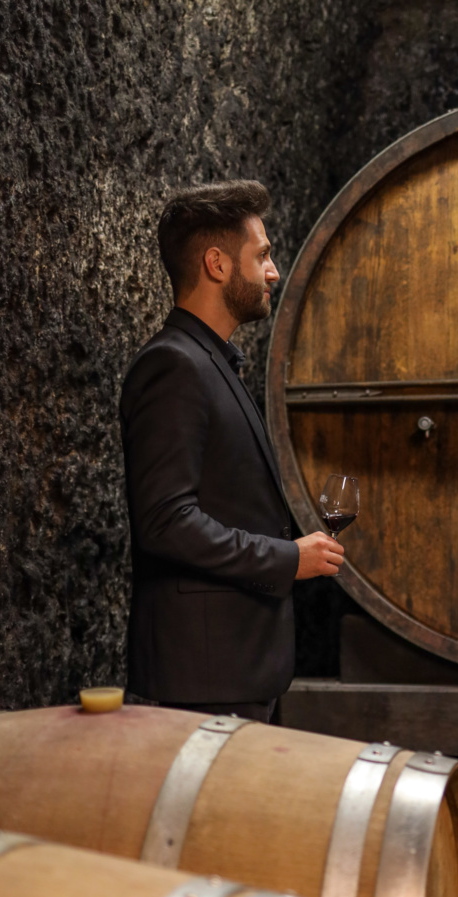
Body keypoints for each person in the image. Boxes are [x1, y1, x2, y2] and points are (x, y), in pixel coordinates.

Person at [120, 180, 343, 723]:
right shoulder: (172, 365)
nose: (274, 272)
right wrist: (290, 558)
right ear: (217, 265)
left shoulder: (211, 360)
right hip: (205, 675)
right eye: (262, 256)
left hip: (235, 667)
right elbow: (167, 522)